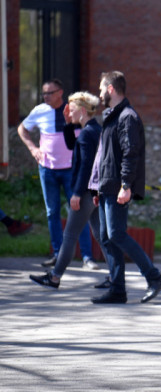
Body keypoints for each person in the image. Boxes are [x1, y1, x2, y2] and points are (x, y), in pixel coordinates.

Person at [90, 71, 161, 305]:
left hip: (117, 187)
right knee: (105, 237)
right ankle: (117, 290)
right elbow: (106, 156)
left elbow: (130, 154)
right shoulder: (112, 117)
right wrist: (98, 188)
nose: (100, 92)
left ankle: (154, 277)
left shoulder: (127, 117)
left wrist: (125, 185)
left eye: (102, 88)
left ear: (111, 88)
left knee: (116, 234)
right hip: (106, 187)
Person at [30, 91, 104, 289]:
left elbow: (86, 167)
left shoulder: (88, 133)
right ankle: (115, 276)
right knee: (100, 235)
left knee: (70, 235)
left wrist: (77, 193)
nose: (68, 113)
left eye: (71, 111)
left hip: (86, 192)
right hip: (94, 192)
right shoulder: (93, 129)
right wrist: (68, 123)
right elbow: (72, 144)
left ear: (81, 110)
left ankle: (54, 277)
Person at [18, 79, 95, 268]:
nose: (45, 96)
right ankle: (58, 254)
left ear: (60, 92)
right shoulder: (39, 111)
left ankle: (87, 257)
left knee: (78, 211)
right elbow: (22, 129)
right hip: (47, 169)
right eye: (43, 93)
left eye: (49, 93)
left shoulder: (73, 110)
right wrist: (33, 148)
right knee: (52, 212)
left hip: (70, 170)